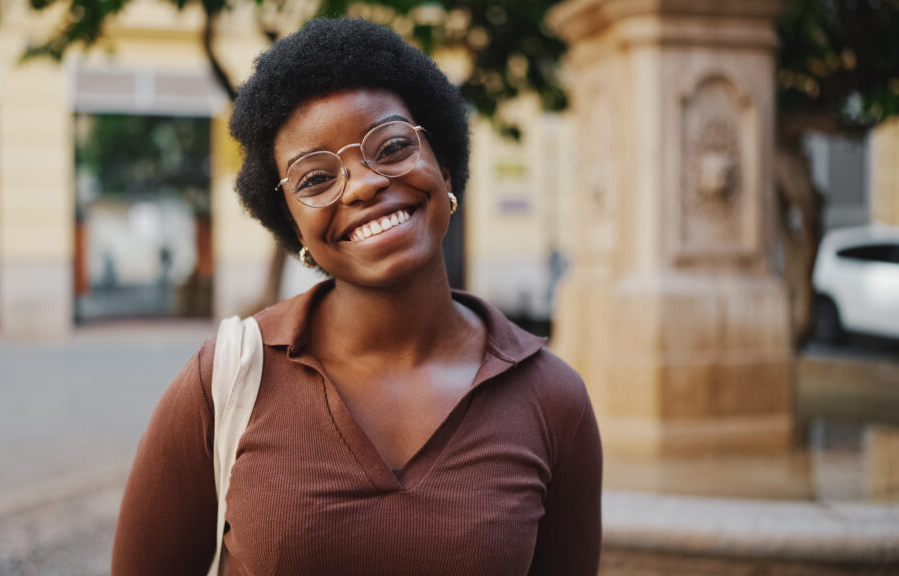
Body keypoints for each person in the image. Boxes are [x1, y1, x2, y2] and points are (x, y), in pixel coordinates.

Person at [112, 17, 602, 576]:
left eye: (391, 146)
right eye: (315, 179)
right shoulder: (226, 381)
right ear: (294, 226)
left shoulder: (552, 400)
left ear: (442, 164)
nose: (365, 184)